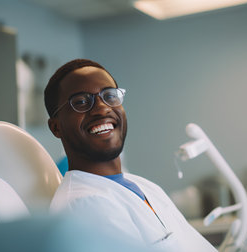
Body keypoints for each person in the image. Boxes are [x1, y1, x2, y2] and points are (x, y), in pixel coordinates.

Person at [44, 59, 217, 251]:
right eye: (81, 102)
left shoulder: (145, 186)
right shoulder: (84, 207)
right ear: (56, 127)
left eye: (109, 96)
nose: (102, 108)